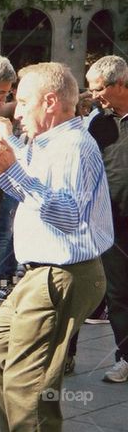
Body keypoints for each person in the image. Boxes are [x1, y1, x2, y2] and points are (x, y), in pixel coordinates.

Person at [0, 62, 112, 432]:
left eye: (23, 102)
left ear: (50, 102)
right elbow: (35, 173)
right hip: (46, 272)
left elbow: (67, 215)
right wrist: (9, 144)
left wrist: (9, 169)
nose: (16, 111)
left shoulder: (72, 145)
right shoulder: (52, 141)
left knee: (27, 378)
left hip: (61, 272)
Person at [85, 55, 128, 383]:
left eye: (98, 88)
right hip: (113, 222)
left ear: (120, 84)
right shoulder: (97, 123)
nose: (93, 95)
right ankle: (125, 357)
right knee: (118, 293)